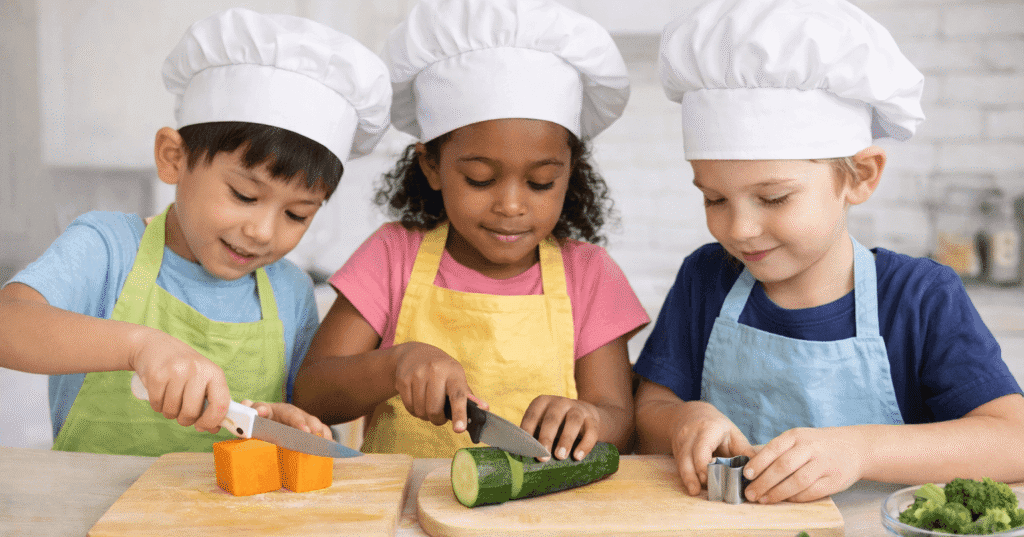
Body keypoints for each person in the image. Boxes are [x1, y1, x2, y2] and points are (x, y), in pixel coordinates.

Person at [634, 0, 1024, 504]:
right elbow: (649, 410)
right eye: (714, 198)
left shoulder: (920, 296)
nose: (740, 228)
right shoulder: (705, 278)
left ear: (860, 176)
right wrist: (684, 419)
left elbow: (1013, 440)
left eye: (773, 198)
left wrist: (860, 450)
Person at [0, 8, 392, 456]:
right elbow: (8, 324)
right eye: (245, 195)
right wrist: (138, 345)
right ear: (173, 158)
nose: (263, 231)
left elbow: (301, 416)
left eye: (297, 215)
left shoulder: (290, 292)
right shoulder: (108, 249)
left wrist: (293, 426)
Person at [294, 0, 650, 461]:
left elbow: (619, 417)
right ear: (432, 165)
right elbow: (312, 393)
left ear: (570, 171)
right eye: (480, 179)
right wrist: (396, 365)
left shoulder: (590, 274)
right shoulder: (393, 255)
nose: (511, 205)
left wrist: (592, 420)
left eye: (542, 182)